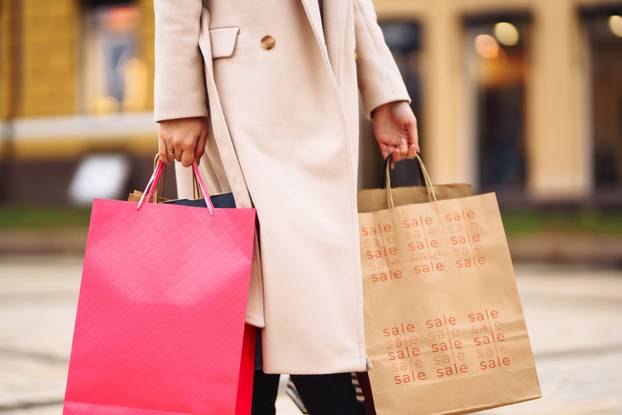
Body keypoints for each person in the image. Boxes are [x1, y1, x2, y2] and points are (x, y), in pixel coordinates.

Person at [153, 0, 419, 413]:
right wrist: (178, 102)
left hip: (321, 75)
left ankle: (322, 387)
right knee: (253, 285)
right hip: (244, 90)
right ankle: (319, 392)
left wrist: (384, 91)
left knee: (302, 281)